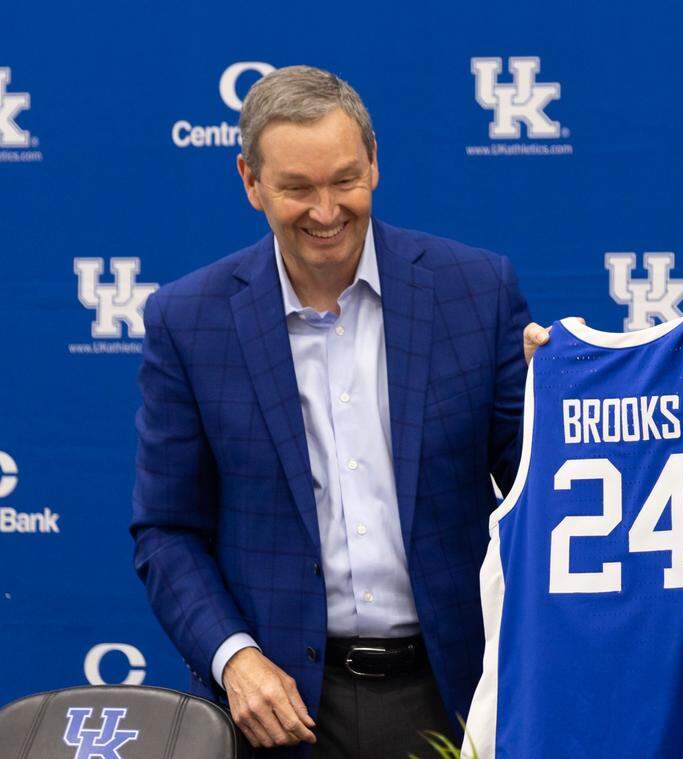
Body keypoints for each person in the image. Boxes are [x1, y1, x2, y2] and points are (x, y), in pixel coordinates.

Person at [131, 65, 530, 758]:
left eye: (344, 179)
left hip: (456, 690)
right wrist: (235, 659)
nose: (325, 211)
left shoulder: (476, 291)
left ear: (373, 161)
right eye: (296, 188)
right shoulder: (188, 320)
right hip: (278, 710)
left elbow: (539, 480)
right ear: (250, 181)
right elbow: (167, 529)